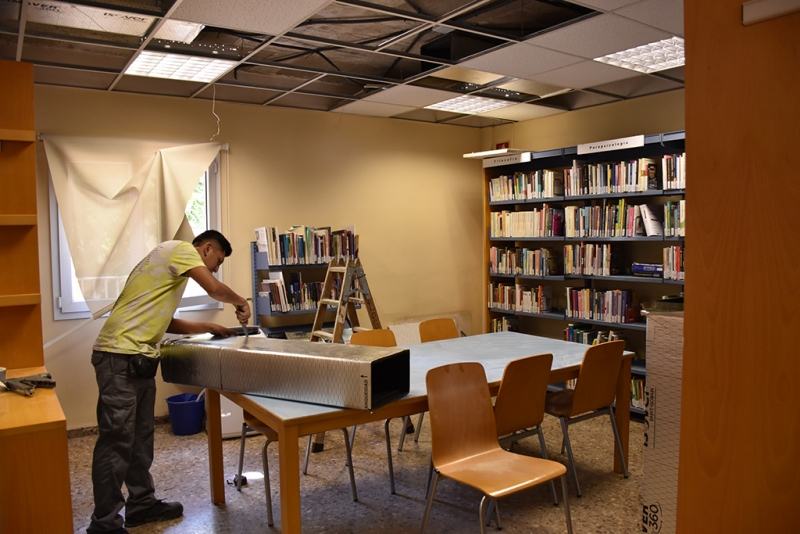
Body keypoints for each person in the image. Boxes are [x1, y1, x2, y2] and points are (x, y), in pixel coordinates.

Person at [87, 230, 251, 534]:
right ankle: (104, 525)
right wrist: (241, 302)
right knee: (116, 443)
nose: (215, 268)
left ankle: (141, 504)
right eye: (217, 261)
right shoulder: (180, 250)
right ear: (207, 248)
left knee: (140, 439)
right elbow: (214, 288)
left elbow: (166, 321)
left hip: (137, 357)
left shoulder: (165, 263)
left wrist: (206, 326)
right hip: (119, 356)